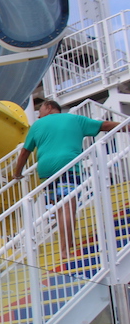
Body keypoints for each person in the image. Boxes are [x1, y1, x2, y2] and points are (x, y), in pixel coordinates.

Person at [9, 99, 119, 261]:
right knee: (68, 208)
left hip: (46, 171)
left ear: (49, 107)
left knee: (60, 209)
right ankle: (65, 250)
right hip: (68, 165)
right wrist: (126, 127)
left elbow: (25, 152)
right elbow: (105, 125)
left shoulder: (37, 126)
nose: (38, 115)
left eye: (40, 110)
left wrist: (17, 174)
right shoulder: (74, 119)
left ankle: (65, 248)